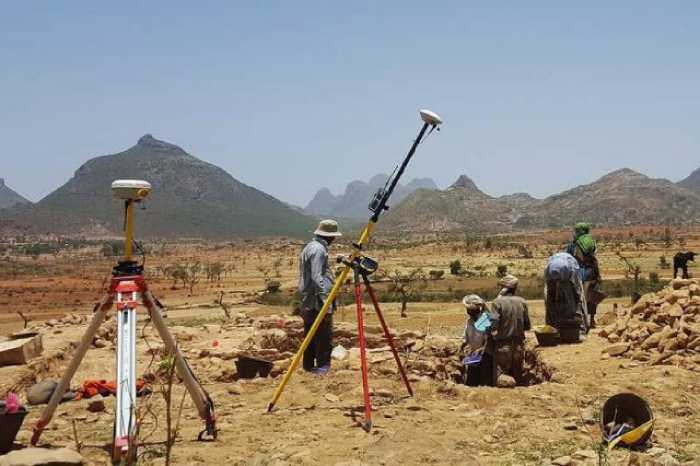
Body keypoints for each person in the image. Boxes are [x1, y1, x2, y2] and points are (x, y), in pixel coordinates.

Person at [298, 219, 342, 375]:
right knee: (323, 334)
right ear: (329, 236)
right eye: (333, 237)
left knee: (310, 332)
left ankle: (308, 365)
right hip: (317, 299)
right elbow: (317, 277)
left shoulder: (310, 247)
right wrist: (326, 301)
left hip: (308, 299)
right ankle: (323, 366)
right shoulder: (319, 250)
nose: (334, 240)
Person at [489, 274, 531, 386]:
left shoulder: (497, 303)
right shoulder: (522, 302)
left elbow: (493, 325)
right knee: (517, 377)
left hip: (503, 346)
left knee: (501, 379)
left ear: (503, 288)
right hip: (518, 346)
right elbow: (527, 326)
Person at [566, 223, 602, 328]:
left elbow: (569, 256)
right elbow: (595, 257)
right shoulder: (592, 242)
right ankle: (592, 320)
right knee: (592, 296)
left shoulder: (574, 243)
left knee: (579, 296)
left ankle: (581, 321)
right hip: (593, 271)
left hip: (580, 272)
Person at [544, 252, 586, 335]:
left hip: (551, 275)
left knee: (551, 302)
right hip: (566, 275)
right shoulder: (573, 263)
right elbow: (577, 291)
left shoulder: (552, 261)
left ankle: (553, 328)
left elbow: (548, 294)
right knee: (572, 302)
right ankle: (576, 327)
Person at [460, 294, 493, 386]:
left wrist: (482, 349)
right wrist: (463, 347)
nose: (468, 311)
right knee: (471, 380)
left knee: (484, 380)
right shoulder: (469, 321)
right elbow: (466, 338)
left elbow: (489, 338)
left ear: (475, 309)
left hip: (485, 355)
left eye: (469, 309)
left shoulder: (485, 320)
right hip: (473, 356)